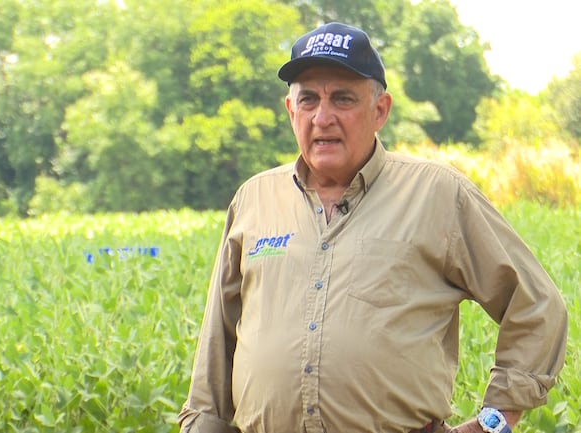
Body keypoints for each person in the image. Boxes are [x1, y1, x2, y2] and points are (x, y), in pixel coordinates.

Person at [177, 21, 568, 433]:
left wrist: (495, 421)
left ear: (380, 110)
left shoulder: (437, 194)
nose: (322, 117)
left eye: (342, 99)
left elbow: (537, 306)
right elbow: (216, 350)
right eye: (308, 100)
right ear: (291, 111)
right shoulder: (254, 200)